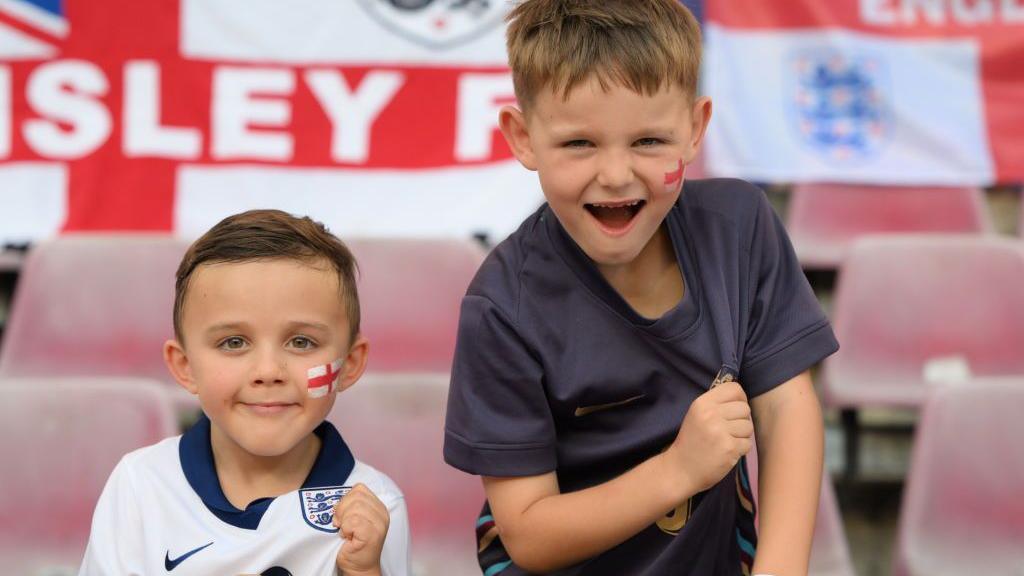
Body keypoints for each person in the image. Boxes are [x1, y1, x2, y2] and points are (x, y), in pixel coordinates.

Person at [443, 1, 839, 574]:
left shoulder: (741, 227)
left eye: (649, 141)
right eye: (579, 144)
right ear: (522, 138)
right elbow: (527, 534)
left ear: (695, 129)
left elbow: (786, 408)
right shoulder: (502, 306)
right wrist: (679, 470)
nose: (616, 174)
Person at [79, 209, 410, 576]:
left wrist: (365, 572)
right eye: (233, 342)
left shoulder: (375, 505)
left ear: (349, 363)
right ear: (185, 366)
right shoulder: (140, 484)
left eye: (301, 342)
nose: (268, 372)